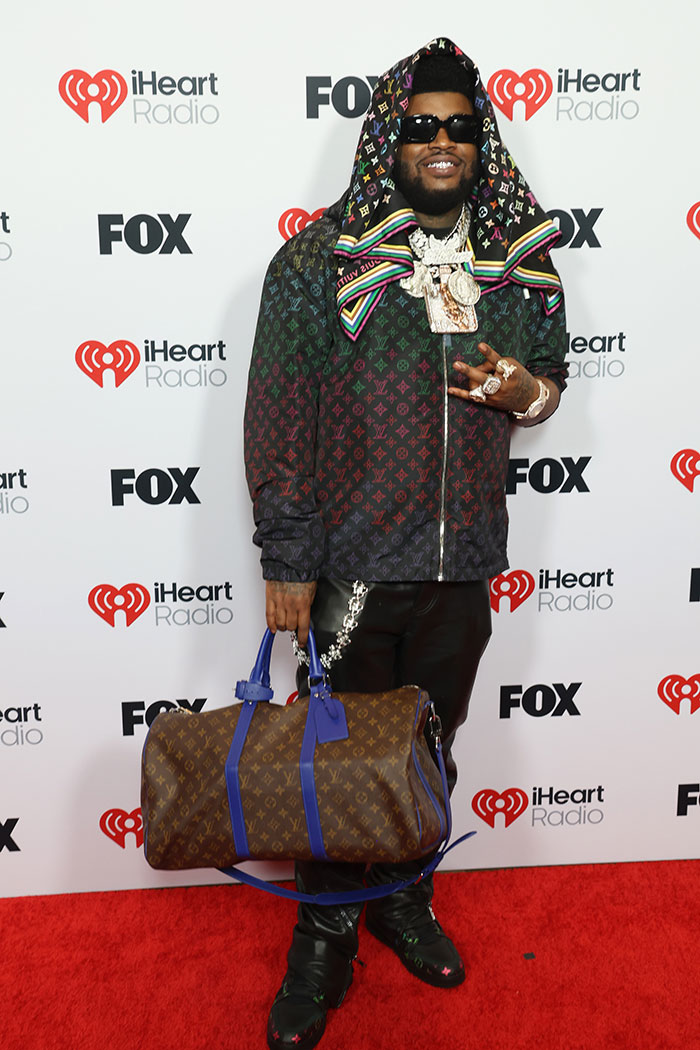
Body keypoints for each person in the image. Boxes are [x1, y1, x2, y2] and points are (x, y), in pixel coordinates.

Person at [245, 38, 567, 1050]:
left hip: (460, 561)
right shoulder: (316, 262)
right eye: (421, 125)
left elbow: (549, 378)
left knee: (429, 752)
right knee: (334, 756)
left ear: (482, 142)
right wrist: (287, 558)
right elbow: (277, 413)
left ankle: (403, 902)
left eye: (460, 127)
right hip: (346, 565)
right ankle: (325, 937)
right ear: (389, 138)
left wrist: (525, 391)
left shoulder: (515, 257)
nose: (441, 143)